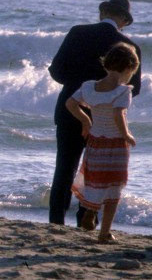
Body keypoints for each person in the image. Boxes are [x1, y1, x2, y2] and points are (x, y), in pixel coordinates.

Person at [48, 0, 141, 226]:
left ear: (103, 13)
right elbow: (133, 88)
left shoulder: (77, 32)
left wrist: (81, 88)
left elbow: (56, 71)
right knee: (96, 175)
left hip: (70, 109)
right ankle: (85, 223)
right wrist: (105, 94)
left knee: (64, 171)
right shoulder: (130, 46)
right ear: (123, 19)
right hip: (105, 120)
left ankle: (56, 224)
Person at [66, 43, 139, 243]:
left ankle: (91, 209)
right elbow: (118, 113)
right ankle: (105, 232)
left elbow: (70, 104)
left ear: (106, 66)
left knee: (96, 181)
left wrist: (86, 120)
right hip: (115, 144)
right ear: (129, 68)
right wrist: (126, 134)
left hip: (95, 142)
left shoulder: (89, 86)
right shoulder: (123, 91)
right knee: (114, 186)